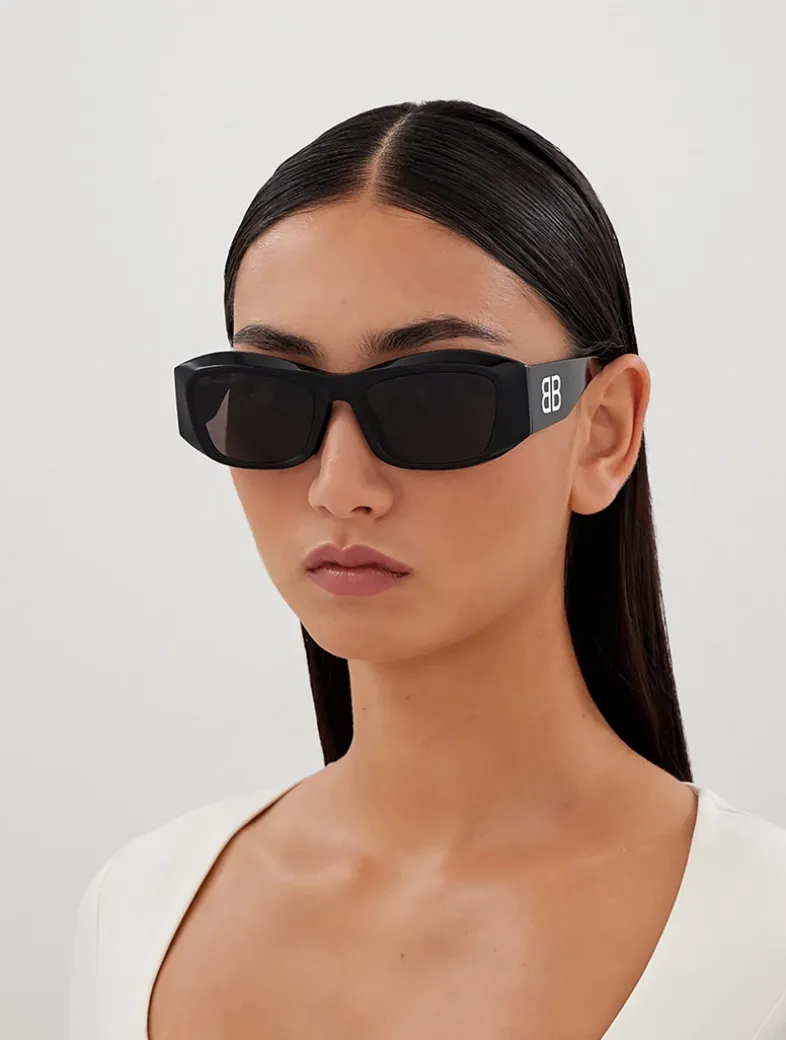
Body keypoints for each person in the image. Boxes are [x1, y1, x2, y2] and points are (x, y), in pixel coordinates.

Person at [68, 99, 786, 1039]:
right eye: (268, 397)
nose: (339, 487)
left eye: (439, 398)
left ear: (603, 431)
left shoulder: (765, 939)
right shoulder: (134, 913)